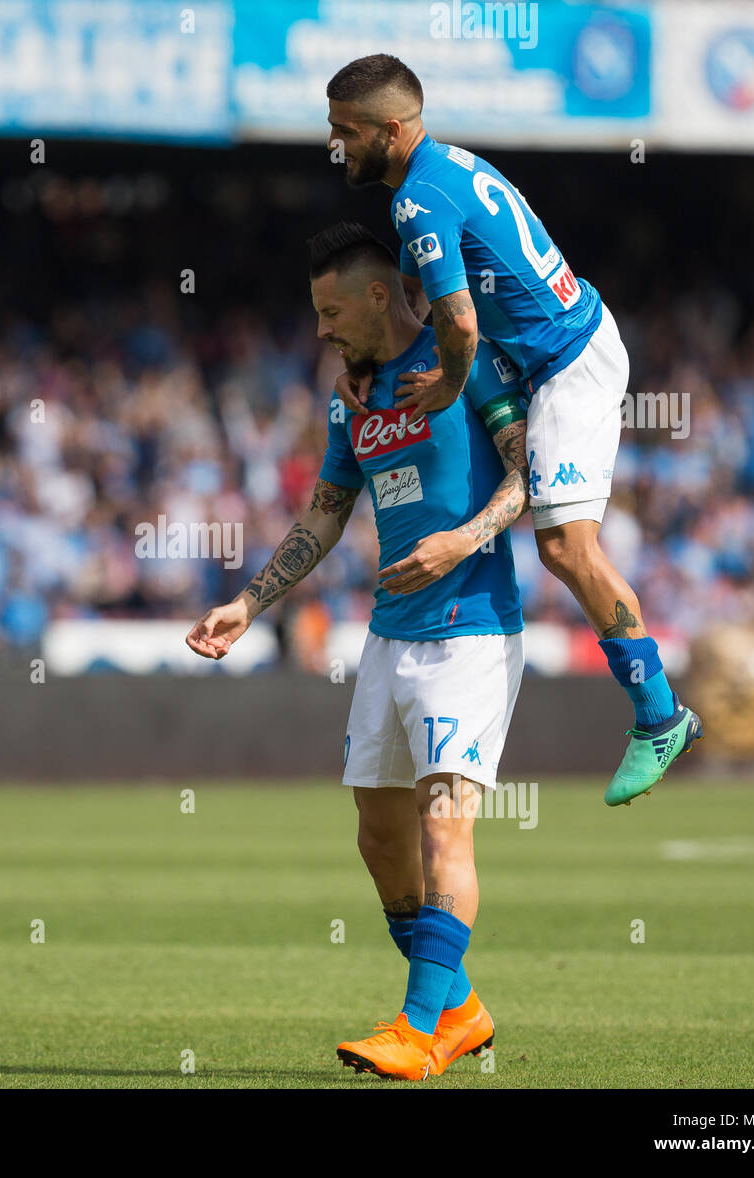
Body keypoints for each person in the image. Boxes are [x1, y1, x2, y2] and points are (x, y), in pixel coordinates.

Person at [187, 223, 529, 1080]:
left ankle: (418, 1031)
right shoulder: (353, 399)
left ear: (380, 294)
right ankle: (459, 1009)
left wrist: (465, 540)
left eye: (331, 310)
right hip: (389, 637)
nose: (321, 330)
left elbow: (534, 476)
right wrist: (249, 601)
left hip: (472, 631)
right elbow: (326, 511)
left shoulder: (469, 363)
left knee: (445, 830)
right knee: (381, 839)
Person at [325, 54, 701, 805]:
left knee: (564, 545)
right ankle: (657, 711)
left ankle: (660, 715)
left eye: (346, 131)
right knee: (560, 540)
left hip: (567, 360)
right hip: (556, 348)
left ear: (391, 130)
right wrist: (374, 356)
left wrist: (446, 387)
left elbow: (459, 321)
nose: (335, 144)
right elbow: (420, 296)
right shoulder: (445, 169)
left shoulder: (416, 201)